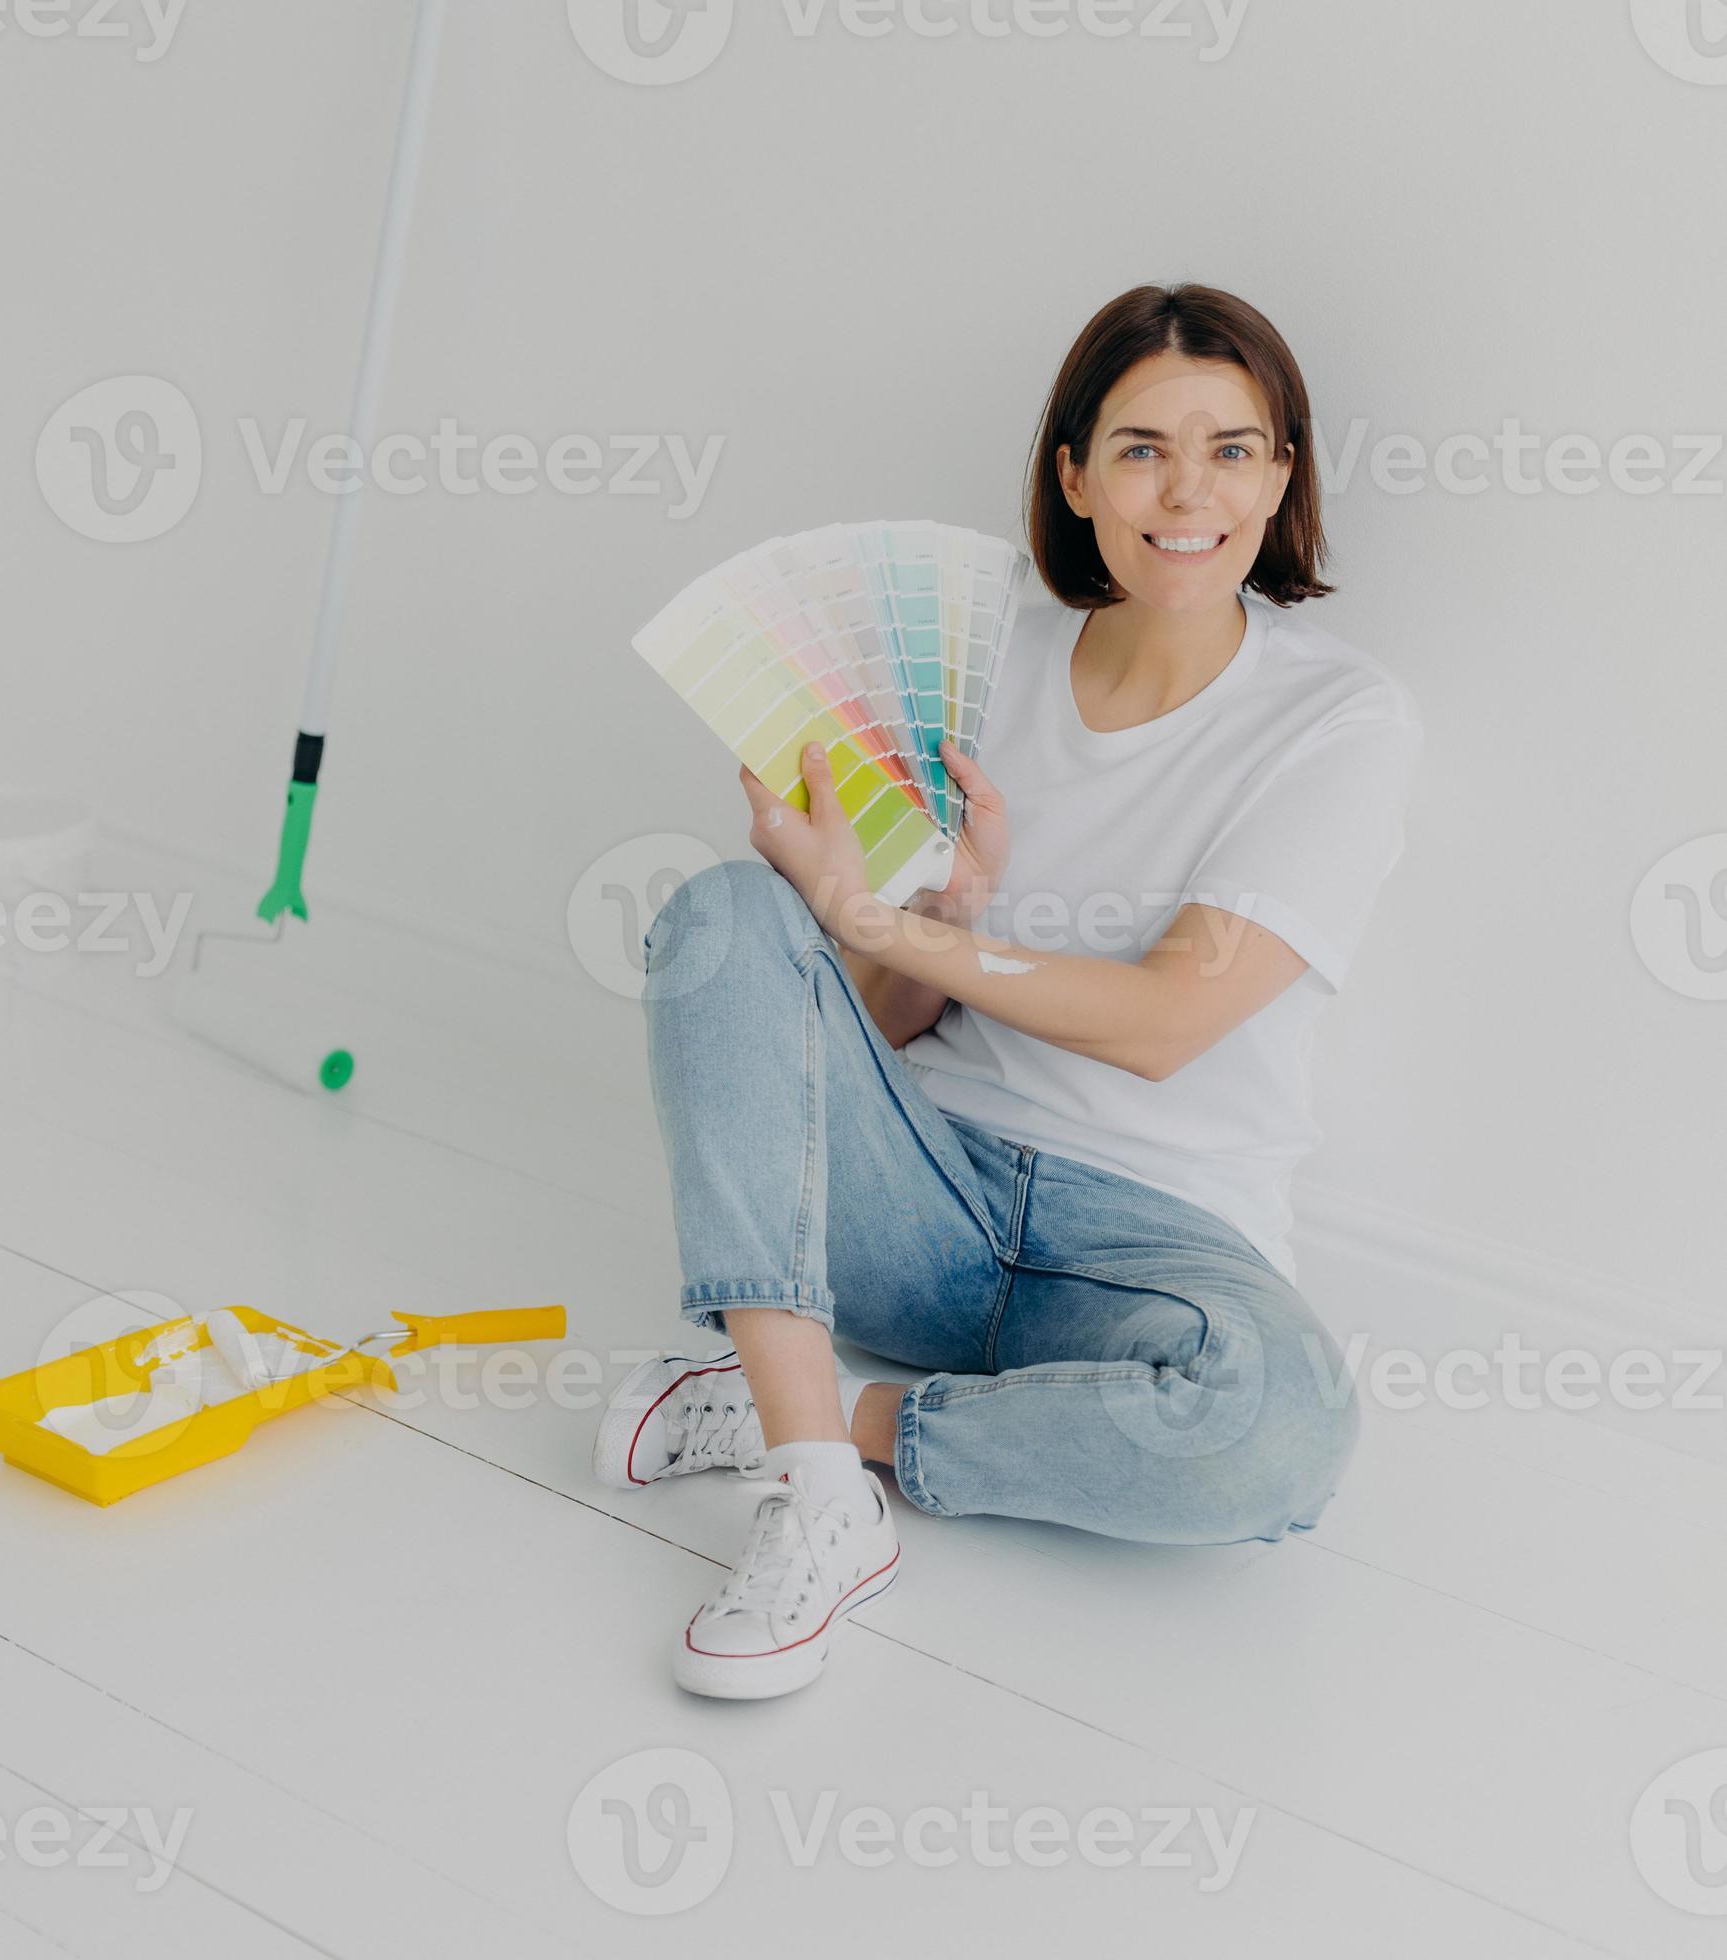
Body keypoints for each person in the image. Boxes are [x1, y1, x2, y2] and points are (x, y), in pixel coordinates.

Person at [597, 284, 1424, 1701]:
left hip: (1154, 1242)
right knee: (731, 915)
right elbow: (872, 1021)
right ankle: (819, 1496)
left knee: (1276, 1433)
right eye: (1143, 446)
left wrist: (884, 923)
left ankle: (825, 1413)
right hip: (921, 1199)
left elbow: (1172, 1021)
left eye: (1235, 449)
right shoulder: (986, 665)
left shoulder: (1341, 720)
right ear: (1076, 475)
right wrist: (922, 920)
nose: (1189, 491)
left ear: (1284, 476)